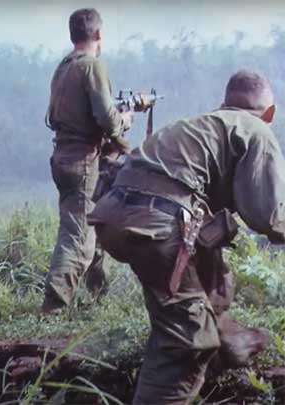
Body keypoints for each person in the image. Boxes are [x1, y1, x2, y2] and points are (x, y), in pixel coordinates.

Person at [89, 70, 278, 404]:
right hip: (156, 225)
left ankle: (228, 343)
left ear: (224, 103)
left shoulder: (200, 126)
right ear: (270, 113)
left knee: (211, 287)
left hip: (115, 215)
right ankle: (208, 346)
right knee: (187, 344)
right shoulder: (257, 129)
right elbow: (266, 215)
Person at [41, 8, 133, 314]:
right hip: (81, 161)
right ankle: (54, 308)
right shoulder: (92, 66)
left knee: (90, 223)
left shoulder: (64, 66)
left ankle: (97, 295)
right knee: (78, 237)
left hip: (64, 157)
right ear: (98, 35)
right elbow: (106, 118)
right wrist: (124, 129)